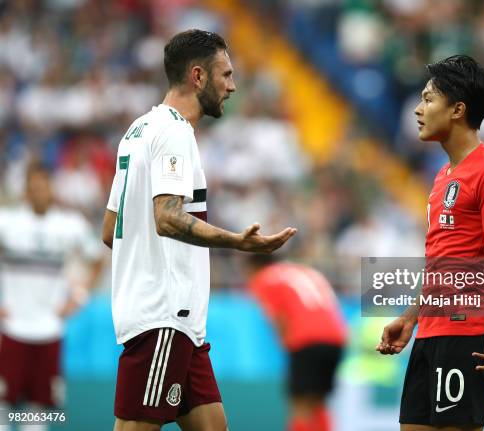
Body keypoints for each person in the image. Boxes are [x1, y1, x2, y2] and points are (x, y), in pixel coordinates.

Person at [101, 30, 296, 431]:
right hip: (164, 316)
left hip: (180, 322)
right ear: (197, 76)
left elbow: (110, 229)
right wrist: (237, 243)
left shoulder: (138, 130)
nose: (233, 86)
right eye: (225, 75)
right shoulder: (174, 132)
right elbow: (167, 216)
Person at [376, 55, 484, 431]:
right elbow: (444, 263)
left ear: (458, 109)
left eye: (427, 100)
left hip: (466, 335)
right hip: (430, 334)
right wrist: (410, 319)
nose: (418, 110)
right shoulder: (443, 176)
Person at [0, 162, 104, 431]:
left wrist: (78, 297)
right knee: (3, 404)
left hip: (49, 328)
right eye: (32, 188)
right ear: (25, 190)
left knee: (40, 407)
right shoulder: (8, 222)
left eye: (42, 187)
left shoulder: (69, 226)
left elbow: (97, 259)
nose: (37, 192)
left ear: (50, 190)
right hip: (12, 328)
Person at [244, 254, 347, 431]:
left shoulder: (265, 277)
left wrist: (286, 343)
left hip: (306, 339)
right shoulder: (306, 271)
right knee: (318, 401)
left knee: (300, 404)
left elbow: (279, 317)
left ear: (253, 266)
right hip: (336, 338)